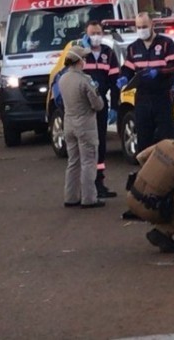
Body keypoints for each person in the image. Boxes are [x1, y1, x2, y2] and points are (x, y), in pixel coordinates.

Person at [118, 13, 174, 154]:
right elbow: (128, 68)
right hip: (142, 98)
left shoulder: (166, 43)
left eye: (144, 26)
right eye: (138, 27)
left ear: (152, 24)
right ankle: (147, 171)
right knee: (144, 138)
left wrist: (159, 72)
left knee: (167, 137)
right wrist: (123, 78)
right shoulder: (133, 48)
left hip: (162, 97)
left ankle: (170, 171)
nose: (141, 30)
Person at [77, 20, 119, 198]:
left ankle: (99, 182)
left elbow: (115, 82)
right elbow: (68, 75)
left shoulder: (108, 54)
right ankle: (86, 185)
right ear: (86, 34)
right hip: (83, 107)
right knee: (86, 146)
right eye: (92, 33)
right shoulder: (79, 54)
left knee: (100, 144)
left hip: (101, 105)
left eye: (98, 33)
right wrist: (83, 53)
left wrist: (115, 107)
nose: (96, 36)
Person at [59, 46, 105, 209]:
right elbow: (97, 105)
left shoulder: (62, 79)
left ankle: (70, 196)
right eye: (84, 58)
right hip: (85, 124)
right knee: (88, 162)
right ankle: (89, 198)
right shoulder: (85, 80)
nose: (85, 61)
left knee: (73, 161)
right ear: (79, 61)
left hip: (68, 122)